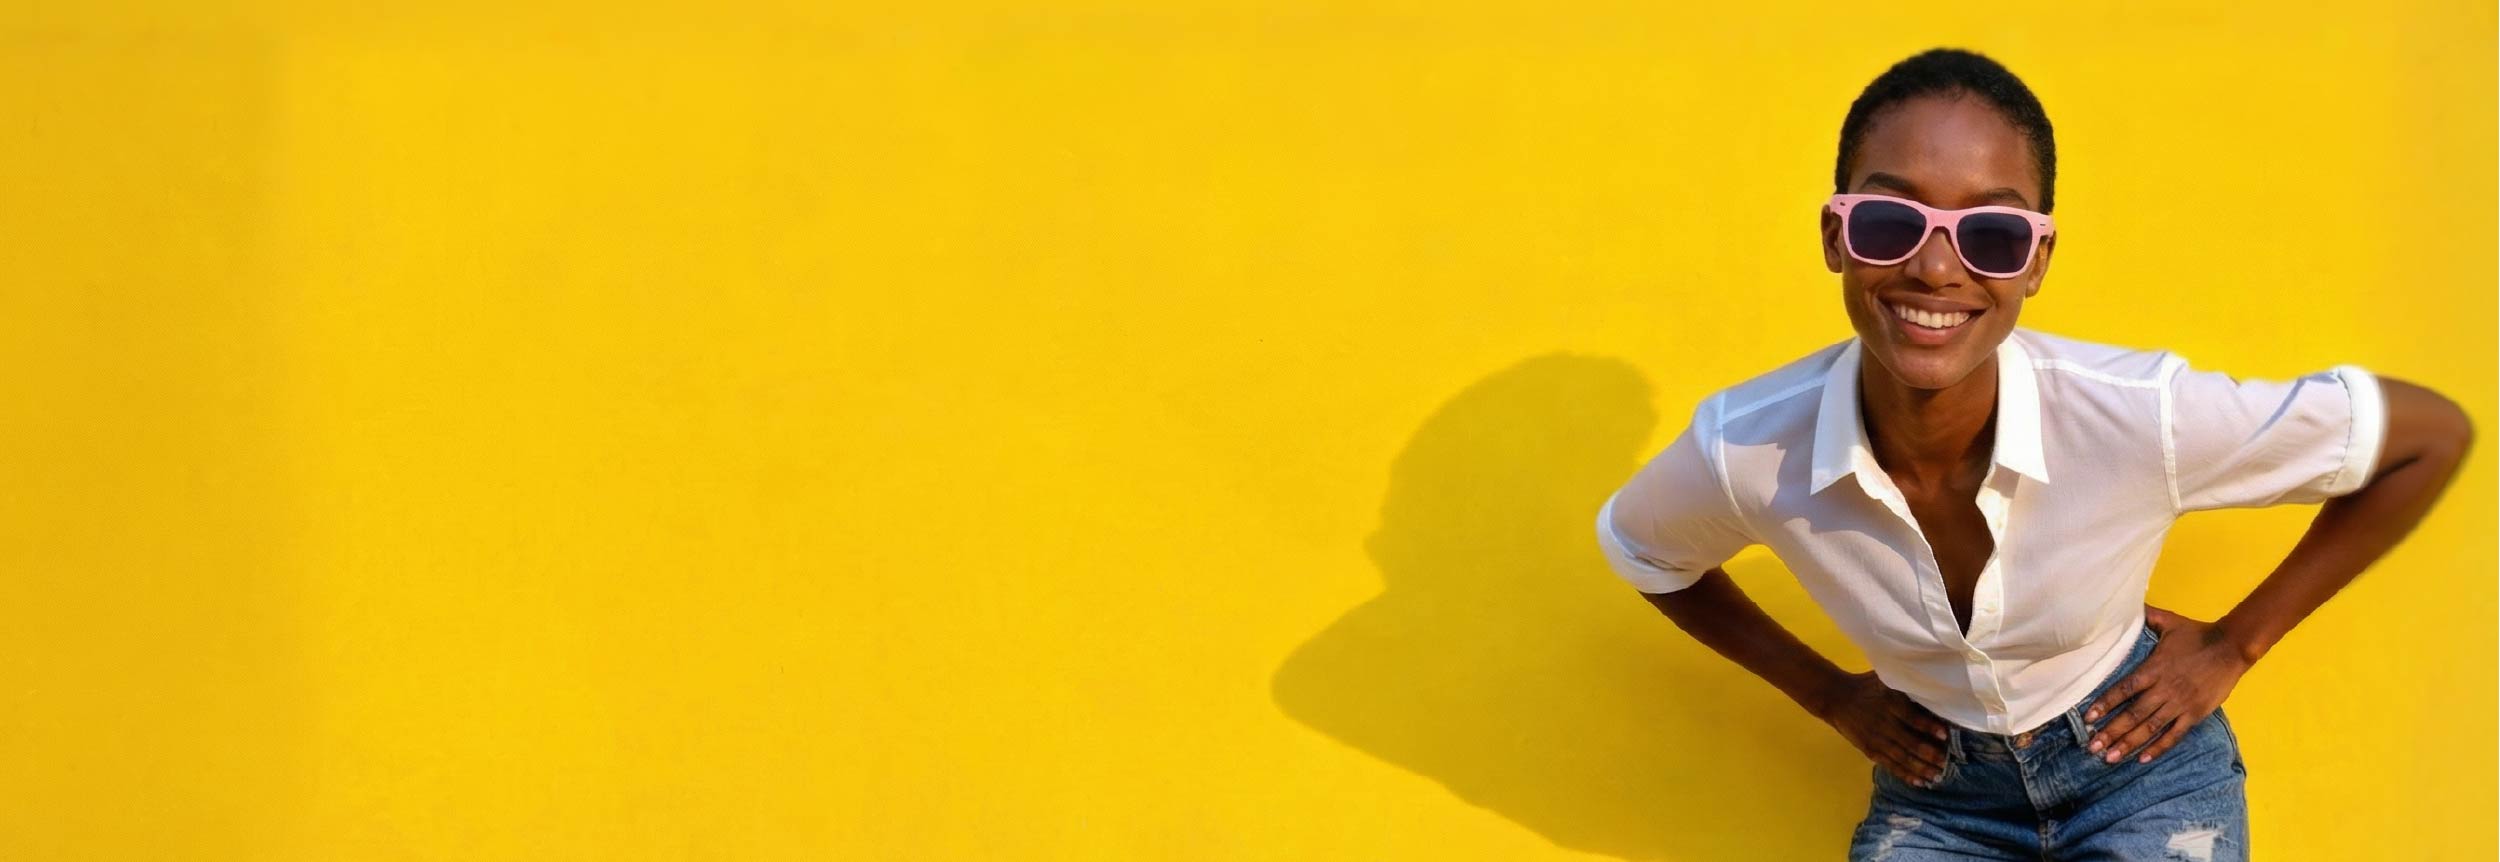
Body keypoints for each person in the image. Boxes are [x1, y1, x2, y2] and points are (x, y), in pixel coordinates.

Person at [1592, 48, 2473, 861]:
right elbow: (1643, 550)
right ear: (1835, 237)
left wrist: (2238, 644)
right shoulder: (1745, 445)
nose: (1937, 269)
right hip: (1937, 800)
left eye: (1993, 235)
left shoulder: (2138, 415)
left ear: (2037, 260)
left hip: (2143, 769)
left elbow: (2429, 436)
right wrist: (1826, 693)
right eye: (1891, 220)